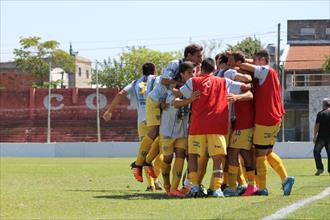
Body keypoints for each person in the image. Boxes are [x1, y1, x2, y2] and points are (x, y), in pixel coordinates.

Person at [179, 57, 251, 197]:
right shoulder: (224, 81)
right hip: (217, 126)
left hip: (198, 125)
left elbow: (182, 94)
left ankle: (194, 187)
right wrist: (246, 86)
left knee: (193, 155)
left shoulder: (193, 81)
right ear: (214, 69)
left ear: (201, 69)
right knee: (218, 159)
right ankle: (216, 189)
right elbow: (244, 87)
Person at [132, 44, 203, 183]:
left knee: (161, 133)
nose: (201, 59)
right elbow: (164, 80)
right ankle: (138, 164)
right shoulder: (175, 64)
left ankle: (147, 162)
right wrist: (178, 86)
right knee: (153, 132)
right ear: (189, 55)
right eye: (198, 56)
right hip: (155, 100)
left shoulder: (194, 69)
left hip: (165, 102)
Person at [240, 49, 294, 196]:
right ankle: (285, 178)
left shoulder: (264, 70)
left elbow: (248, 67)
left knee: (260, 154)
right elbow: (252, 65)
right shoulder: (271, 72)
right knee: (268, 152)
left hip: (265, 119)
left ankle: (262, 187)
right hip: (275, 118)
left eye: (256, 60)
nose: (255, 62)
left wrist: (238, 62)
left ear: (263, 60)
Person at [103, 62, 162, 191]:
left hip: (141, 121)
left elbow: (120, 94)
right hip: (155, 120)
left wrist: (110, 111)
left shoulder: (135, 83)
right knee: (159, 151)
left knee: (145, 151)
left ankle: (151, 183)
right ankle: (155, 178)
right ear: (154, 71)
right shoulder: (157, 80)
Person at [313, 98, 330, 176]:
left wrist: (314, 135)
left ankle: (320, 168)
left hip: (322, 137)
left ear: (323, 105)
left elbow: (317, 125)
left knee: (316, 151)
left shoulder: (321, 113)